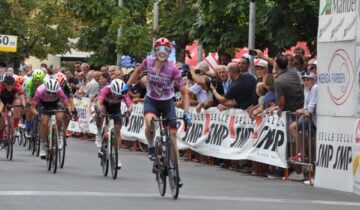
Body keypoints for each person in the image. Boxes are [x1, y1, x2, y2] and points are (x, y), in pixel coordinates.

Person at [122, 37, 191, 187]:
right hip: (151, 101)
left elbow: (185, 92)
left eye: (166, 50)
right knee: (150, 123)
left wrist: (186, 112)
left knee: (173, 137)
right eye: (159, 49)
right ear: (155, 51)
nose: (162, 52)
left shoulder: (173, 69)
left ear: (169, 52)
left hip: (167, 103)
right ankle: (152, 144)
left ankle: (175, 173)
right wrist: (128, 85)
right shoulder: (148, 62)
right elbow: (138, 71)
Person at [95, 79, 133, 169]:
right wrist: (99, 111)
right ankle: (99, 133)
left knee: (117, 131)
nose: (116, 96)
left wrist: (128, 111)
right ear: (111, 90)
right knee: (101, 113)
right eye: (114, 94)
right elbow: (99, 102)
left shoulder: (124, 92)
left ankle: (116, 156)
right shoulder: (105, 89)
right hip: (104, 105)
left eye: (118, 95)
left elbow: (130, 105)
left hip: (116, 108)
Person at [30, 79, 72, 157]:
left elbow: (67, 104)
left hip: (56, 103)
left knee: (60, 117)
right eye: (49, 92)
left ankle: (59, 136)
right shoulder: (39, 90)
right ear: (46, 89)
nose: (51, 95)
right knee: (44, 122)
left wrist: (69, 111)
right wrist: (38, 115)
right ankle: (43, 146)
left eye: (53, 93)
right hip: (44, 104)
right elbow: (32, 108)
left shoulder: (59, 90)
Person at [0, 73, 26, 138]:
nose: (10, 86)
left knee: (18, 103)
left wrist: (23, 106)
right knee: (1, 117)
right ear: (4, 83)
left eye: (11, 84)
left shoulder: (17, 85)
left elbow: (22, 97)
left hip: (13, 101)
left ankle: (15, 127)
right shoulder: (0, 85)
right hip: (2, 101)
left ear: (14, 83)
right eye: (8, 84)